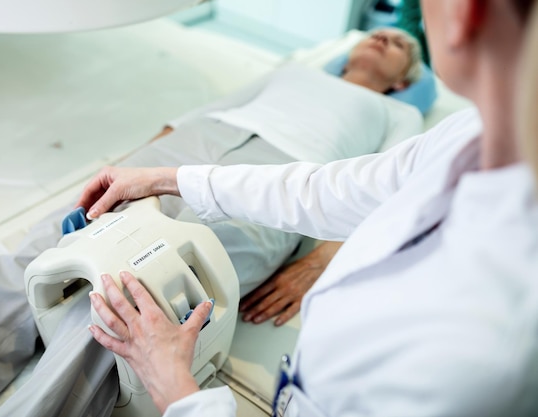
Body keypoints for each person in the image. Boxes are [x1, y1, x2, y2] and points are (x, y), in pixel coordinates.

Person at [0, 28, 425, 417]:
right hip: (189, 150)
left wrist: (320, 259)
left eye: (400, 43)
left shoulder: (397, 116)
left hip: (280, 186)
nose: (384, 36)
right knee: (38, 258)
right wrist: (127, 165)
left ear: (404, 79)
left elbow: (389, 192)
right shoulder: (294, 71)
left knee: (134, 310)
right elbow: (194, 116)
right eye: (381, 31)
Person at [83, 0, 538, 415]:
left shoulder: (492, 349)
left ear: (466, 12)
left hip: (272, 179)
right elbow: (330, 190)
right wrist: (167, 175)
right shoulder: (463, 134)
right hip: (217, 154)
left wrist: (175, 387)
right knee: (77, 241)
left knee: (119, 305)